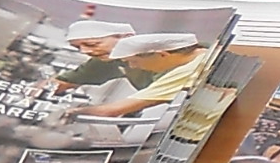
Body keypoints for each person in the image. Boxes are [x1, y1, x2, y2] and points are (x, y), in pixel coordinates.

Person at [59, 20, 212, 120]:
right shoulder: (199, 56)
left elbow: (113, 110)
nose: (131, 66)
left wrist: (70, 112)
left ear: (162, 54)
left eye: (133, 62)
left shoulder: (186, 72)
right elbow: (63, 81)